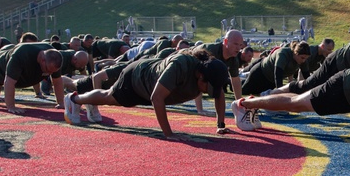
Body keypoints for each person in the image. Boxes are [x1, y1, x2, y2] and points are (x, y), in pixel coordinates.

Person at [64, 48, 230, 139]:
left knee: (110, 97)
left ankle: (78, 99)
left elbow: (219, 95)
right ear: (200, 76)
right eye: (207, 87)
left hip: (151, 87)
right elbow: (156, 98)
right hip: (137, 78)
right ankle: (74, 99)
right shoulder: (180, 66)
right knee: (109, 97)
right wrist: (169, 134)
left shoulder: (212, 72)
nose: (208, 92)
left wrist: (220, 125)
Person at [0, 40, 65, 115]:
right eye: (47, 70)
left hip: (18, 75)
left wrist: (60, 102)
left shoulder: (54, 58)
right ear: (42, 60)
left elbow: (57, 81)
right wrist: (11, 106)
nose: (48, 73)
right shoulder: (22, 54)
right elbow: (9, 82)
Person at [242, 41, 312, 95]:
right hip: (260, 73)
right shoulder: (283, 54)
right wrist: (280, 91)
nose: (304, 60)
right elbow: (278, 74)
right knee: (244, 91)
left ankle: (240, 81)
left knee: (259, 95)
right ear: (295, 53)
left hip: (271, 81)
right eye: (302, 58)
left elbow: (307, 77)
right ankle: (233, 81)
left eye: (306, 58)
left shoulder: (303, 61)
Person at [206, 29, 248, 97]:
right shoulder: (211, 52)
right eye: (235, 44)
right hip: (187, 62)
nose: (238, 48)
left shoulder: (234, 59)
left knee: (219, 91)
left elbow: (235, 80)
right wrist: (199, 108)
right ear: (225, 41)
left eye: (240, 45)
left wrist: (239, 102)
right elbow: (196, 74)